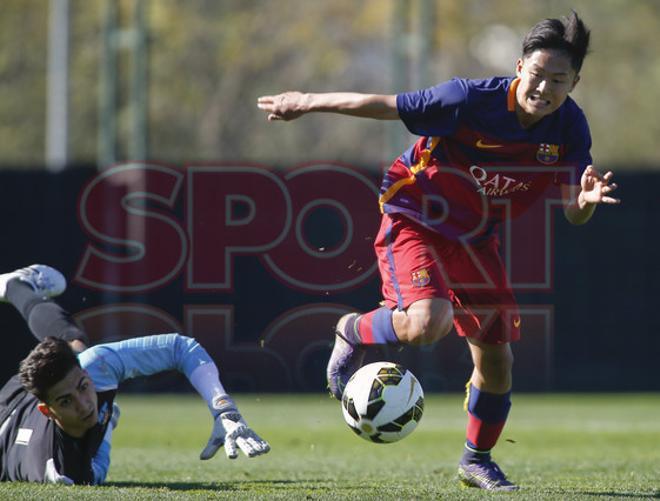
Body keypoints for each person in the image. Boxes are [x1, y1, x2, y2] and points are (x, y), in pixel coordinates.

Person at [257, 12, 619, 491]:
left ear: (574, 81)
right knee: (427, 324)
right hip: (415, 214)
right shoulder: (469, 99)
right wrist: (306, 102)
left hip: (474, 237)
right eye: (537, 75)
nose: (545, 89)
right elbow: (385, 105)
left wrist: (586, 202)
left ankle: (477, 459)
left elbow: (573, 210)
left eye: (559, 80)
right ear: (518, 68)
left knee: (497, 360)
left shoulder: (570, 127)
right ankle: (353, 329)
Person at [0, 265, 270, 485]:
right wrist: (105, 429)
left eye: (83, 387)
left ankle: (14, 286)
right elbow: (98, 469)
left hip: (39, 392)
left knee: (77, 347)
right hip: (5, 432)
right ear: (48, 411)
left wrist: (224, 410)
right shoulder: (62, 471)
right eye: (67, 402)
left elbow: (181, 348)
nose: (84, 404)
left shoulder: (92, 368)